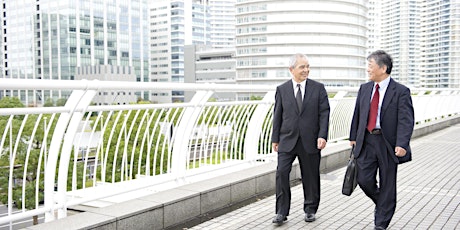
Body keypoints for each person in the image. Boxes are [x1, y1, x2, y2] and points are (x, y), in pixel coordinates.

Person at [349, 50, 415, 230]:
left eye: (370, 66)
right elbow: (358, 114)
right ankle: (384, 203)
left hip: (388, 144)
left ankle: (381, 223)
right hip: (367, 140)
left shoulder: (400, 91)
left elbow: (406, 120)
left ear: (383, 68)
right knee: (364, 179)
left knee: (388, 182)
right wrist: (353, 137)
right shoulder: (365, 88)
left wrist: (402, 143)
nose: (367, 70)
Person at [271, 53, 330, 225]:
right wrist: (275, 138)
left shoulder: (318, 88)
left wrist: (322, 135)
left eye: (307, 66)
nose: (306, 70)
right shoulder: (282, 89)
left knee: (310, 176)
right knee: (281, 173)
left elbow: (324, 113)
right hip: (286, 139)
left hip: (310, 140)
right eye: (302, 67)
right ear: (291, 69)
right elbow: (277, 115)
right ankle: (281, 212)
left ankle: (310, 209)